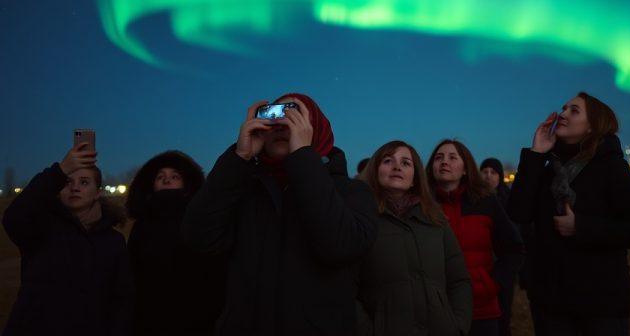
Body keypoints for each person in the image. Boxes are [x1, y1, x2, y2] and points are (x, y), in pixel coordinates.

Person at [182, 93, 378, 336]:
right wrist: (238, 158)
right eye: (275, 117)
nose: (282, 125)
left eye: (295, 116)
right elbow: (199, 238)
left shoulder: (353, 191)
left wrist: (303, 157)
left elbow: (340, 246)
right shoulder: (243, 188)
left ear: (314, 128)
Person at [508, 92, 630, 336]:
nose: (563, 114)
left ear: (592, 127)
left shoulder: (612, 167)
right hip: (551, 303)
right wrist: (536, 153)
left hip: (600, 304)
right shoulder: (547, 169)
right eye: (563, 108)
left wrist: (581, 227)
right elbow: (518, 212)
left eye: (574, 111)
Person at [2, 143, 133, 335]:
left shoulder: (113, 241)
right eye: (67, 182)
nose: (75, 188)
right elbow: (14, 217)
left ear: (98, 192)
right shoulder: (42, 228)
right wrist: (60, 170)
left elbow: (122, 299)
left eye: (84, 182)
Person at [357, 140, 473, 335]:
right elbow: (345, 286)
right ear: (375, 170)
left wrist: (458, 325)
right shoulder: (360, 219)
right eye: (388, 161)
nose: (396, 167)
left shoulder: (436, 220)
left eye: (405, 163)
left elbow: (459, 280)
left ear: (414, 178)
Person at [427, 140, 524, 336]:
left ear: (465, 169)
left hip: (481, 310)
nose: (444, 162)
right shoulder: (421, 206)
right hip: (433, 312)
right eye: (439, 157)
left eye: (452, 157)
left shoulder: (486, 202)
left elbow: (513, 249)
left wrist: (491, 285)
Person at [126, 150, 226, 336]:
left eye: (175, 176)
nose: (166, 180)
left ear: (187, 184)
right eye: (160, 177)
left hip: (196, 316)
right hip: (150, 316)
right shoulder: (141, 226)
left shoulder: (199, 221)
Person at [479, 157, 516, 336]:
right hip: (480, 266)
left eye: (493, 172)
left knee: (503, 312)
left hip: (502, 265)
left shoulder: (509, 200)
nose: (488, 176)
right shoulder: (473, 201)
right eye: (485, 171)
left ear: (500, 176)